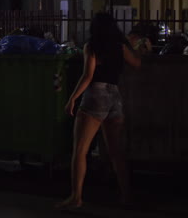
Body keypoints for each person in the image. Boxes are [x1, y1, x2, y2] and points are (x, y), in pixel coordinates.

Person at [55, 13, 141, 210]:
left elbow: (87, 76)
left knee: (80, 150)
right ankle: (126, 195)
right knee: (116, 152)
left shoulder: (91, 46)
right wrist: (135, 47)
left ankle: (76, 197)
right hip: (115, 97)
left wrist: (72, 99)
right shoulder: (121, 46)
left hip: (96, 96)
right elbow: (137, 64)